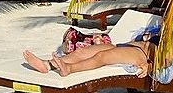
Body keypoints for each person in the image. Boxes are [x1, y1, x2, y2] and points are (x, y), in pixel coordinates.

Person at [22, 24, 161, 77]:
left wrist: (150, 66)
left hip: (141, 54)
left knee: (101, 56)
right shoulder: (159, 27)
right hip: (124, 45)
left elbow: (167, 61)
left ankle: (69, 69)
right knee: (81, 52)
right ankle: (47, 65)